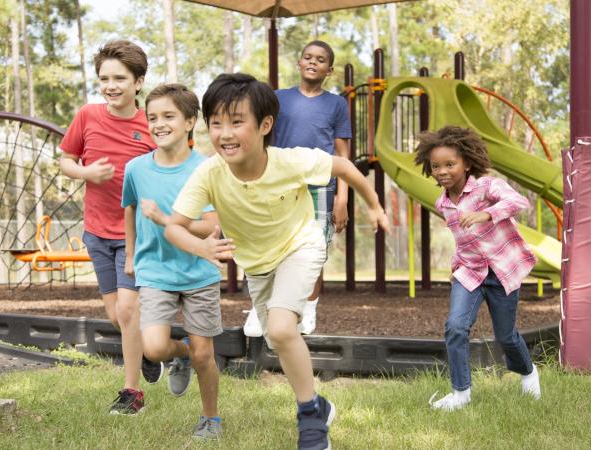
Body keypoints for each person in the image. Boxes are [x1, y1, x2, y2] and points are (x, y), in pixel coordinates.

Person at [165, 73, 389, 450]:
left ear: (265, 125)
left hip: (301, 246)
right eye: (216, 123)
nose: (224, 133)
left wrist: (375, 206)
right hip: (258, 264)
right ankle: (319, 404)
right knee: (276, 339)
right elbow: (175, 227)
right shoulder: (210, 173)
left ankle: (311, 424)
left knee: (284, 329)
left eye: (237, 121)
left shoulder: (290, 161)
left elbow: (346, 168)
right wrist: (200, 247)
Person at [59, 40, 162, 415]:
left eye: (120, 78)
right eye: (104, 78)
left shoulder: (153, 124)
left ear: (139, 82)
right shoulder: (87, 115)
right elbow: (66, 159)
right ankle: (150, 354)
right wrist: (86, 172)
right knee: (115, 315)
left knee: (128, 310)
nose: (110, 85)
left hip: (138, 234)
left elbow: (174, 166)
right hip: (97, 230)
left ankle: (131, 392)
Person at [413, 126, 542, 411]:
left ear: (466, 163)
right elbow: (461, 240)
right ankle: (461, 393)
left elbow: (518, 202)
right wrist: (456, 266)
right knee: (456, 327)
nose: (442, 170)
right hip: (469, 272)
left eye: (450, 164)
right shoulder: (443, 204)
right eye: (436, 166)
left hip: (501, 271)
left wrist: (487, 213)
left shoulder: (486, 186)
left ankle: (529, 372)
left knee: (506, 336)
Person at [121, 83, 223, 439]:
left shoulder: (207, 168)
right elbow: (130, 210)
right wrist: (131, 254)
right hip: (155, 271)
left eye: (168, 116)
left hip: (199, 272)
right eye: (152, 117)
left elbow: (211, 226)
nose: (158, 124)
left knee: (205, 355)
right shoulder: (135, 168)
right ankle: (179, 356)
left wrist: (167, 220)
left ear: (190, 122)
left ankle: (211, 419)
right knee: (153, 347)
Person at [243, 40, 352, 337]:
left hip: (319, 187)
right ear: (299, 63)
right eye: (308, 57)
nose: (313, 62)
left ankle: (308, 310)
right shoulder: (278, 99)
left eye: (320, 59)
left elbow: (342, 155)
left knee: (313, 251)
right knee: (269, 246)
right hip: (279, 185)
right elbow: (260, 137)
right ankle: (260, 307)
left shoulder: (337, 104)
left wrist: (342, 197)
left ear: (329, 70)